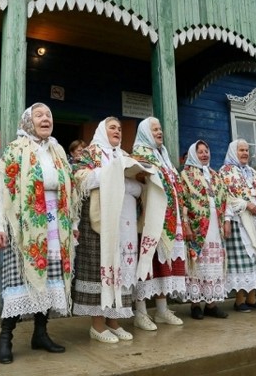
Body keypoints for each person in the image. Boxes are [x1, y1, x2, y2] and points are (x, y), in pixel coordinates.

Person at [0, 102, 80, 364]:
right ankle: (5, 337)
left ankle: (40, 334)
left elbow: (70, 191)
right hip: (25, 228)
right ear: (28, 121)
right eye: (39, 115)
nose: (45, 119)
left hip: (55, 226)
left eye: (48, 115)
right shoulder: (15, 149)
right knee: (19, 281)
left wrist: (73, 225)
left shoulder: (58, 151)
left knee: (48, 280)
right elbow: (2, 189)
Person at [72, 117, 149, 343]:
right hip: (99, 222)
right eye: (112, 128)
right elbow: (80, 180)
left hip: (124, 223)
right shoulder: (90, 153)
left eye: (119, 128)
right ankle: (97, 325)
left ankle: (114, 322)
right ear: (101, 131)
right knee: (100, 271)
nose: (117, 131)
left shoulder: (125, 156)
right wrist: (113, 172)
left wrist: (126, 180)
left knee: (121, 270)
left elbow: (138, 188)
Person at [131, 116, 186, 331]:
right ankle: (141, 312)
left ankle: (162, 310)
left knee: (164, 263)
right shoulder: (139, 154)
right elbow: (139, 181)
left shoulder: (162, 156)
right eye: (154, 130)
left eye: (160, 129)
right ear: (145, 132)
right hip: (150, 217)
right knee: (147, 262)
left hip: (170, 218)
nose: (159, 132)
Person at [219, 139, 256, 313]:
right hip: (239, 220)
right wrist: (246, 205)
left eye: (247, 150)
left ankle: (252, 299)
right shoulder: (225, 171)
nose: (245, 153)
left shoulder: (252, 171)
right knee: (244, 259)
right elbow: (225, 197)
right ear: (233, 152)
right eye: (241, 150)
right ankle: (239, 300)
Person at [180, 140, 228, 320]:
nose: (204, 154)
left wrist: (226, 221)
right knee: (198, 263)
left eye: (206, 151)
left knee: (213, 263)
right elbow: (183, 201)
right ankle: (195, 304)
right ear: (193, 154)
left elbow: (224, 199)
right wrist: (186, 224)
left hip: (215, 225)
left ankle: (211, 304)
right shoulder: (186, 175)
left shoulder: (215, 175)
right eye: (200, 152)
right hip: (197, 227)